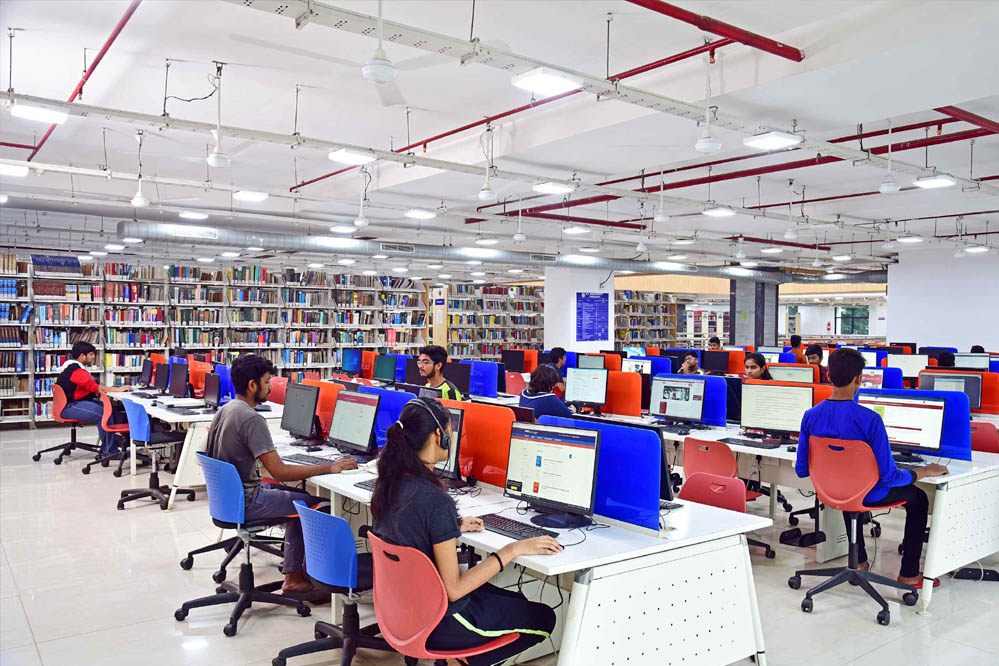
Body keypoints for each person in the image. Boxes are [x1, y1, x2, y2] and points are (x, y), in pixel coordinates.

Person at [371, 398, 558, 665]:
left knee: (514, 597)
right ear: (439, 436)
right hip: (442, 622)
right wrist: (513, 549)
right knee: (544, 617)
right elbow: (454, 590)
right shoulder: (435, 500)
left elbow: (409, 527)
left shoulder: (389, 482)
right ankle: (466, 661)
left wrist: (451, 526)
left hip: (405, 610)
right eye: (450, 432)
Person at [794, 348, 948, 588]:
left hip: (831, 491)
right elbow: (889, 477)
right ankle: (909, 573)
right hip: (870, 493)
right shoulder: (870, 420)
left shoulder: (810, 415)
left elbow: (802, 470)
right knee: (918, 498)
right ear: (859, 378)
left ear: (828, 376)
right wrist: (922, 472)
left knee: (849, 489)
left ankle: (860, 562)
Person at [205, 354, 358, 594]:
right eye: (267, 382)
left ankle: (297, 569)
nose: (270, 387)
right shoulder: (251, 418)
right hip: (249, 500)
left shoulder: (226, 409)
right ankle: (295, 578)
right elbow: (280, 471)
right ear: (252, 385)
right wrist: (329, 467)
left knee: (297, 495)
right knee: (313, 505)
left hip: (230, 499)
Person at [56, 341, 131, 455]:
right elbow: (96, 388)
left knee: (111, 408)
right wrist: (118, 389)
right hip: (69, 407)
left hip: (69, 404)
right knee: (103, 413)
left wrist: (94, 393)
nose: (93, 357)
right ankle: (109, 451)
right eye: (91, 354)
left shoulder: (70, 367)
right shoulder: (77, 371)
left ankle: (117, 443)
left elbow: (81, 388)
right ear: (82, 356)